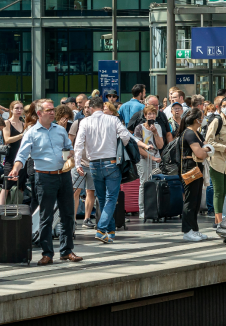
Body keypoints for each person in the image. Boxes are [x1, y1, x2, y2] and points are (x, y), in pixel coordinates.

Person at [9, 99, 81, 264]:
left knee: (68, 215)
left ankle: (66, 251)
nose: (52, 112)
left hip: (63, 175)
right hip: (44, 176)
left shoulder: (60, 131)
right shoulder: (32, 132)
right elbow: (21, 155)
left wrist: (70, 155)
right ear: (39, 113)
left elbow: (69, 148)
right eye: (48, 110)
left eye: (52, 110)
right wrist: (16, 168)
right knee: (46, 216)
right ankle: (47, 253)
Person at [73, 95, 131, 244]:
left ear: (91, 108)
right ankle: (102, 228)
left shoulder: (85, 121)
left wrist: (77, 163)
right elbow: (125, 136)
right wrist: (119, 146)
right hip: (111, 162)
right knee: (111, 197)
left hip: (93, 163)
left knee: (102, 198)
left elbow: (79, 143)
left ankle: (110, 231)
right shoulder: (113, 120)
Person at [174, 108, 211, 242]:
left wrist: (205, 149)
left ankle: (194, 229)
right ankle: (187, 230)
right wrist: (206, 150)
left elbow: (205, 147)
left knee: (195, 200)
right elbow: (201, 153)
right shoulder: (189, 133)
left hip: (197, 168)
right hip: (189, 169)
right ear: (197, 119)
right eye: (202, 116)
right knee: (190, 200)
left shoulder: (197, 133)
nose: (204, 118)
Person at [204, 97, 226, 232]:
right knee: (218, 192)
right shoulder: (216, 121)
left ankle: (218, 219)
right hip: (216, 161)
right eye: (223, 105)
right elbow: (208, 141)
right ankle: (219, 220)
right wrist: (222, 147)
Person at [132, 102, 165, 219]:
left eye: (153, 114)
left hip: (155, 157)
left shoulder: (158, 127)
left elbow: (160, 146)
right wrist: (152, 157)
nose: (151, 116)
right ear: (145, 116)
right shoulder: (139, 128)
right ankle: (142, 209)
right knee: (144, 182)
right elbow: (138, 147)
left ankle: (154, 208)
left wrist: (155, 132)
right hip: (143, 158)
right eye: (149, 114)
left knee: (155, 182)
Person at [68, 103, 96, 228]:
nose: (86, 109)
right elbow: (70, 142)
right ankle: (72, 219)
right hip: (78, 162)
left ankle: (87, 218)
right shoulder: (77, 123)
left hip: (93, 163)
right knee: (75, 191)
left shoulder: (97, 123)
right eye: (84, 107)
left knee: (91, 191)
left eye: (88, 107)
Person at [0, 101, 28, 207]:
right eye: (16, 108)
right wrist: (22, 135)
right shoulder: (7, 123)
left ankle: (18, 208)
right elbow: (7, 139)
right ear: (11, 110)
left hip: (23, 158)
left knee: (21, 185)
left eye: (21, 108)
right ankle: (0, 209)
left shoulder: (24, 124)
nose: (19, 110)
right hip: (11, 158)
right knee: (6, 185)